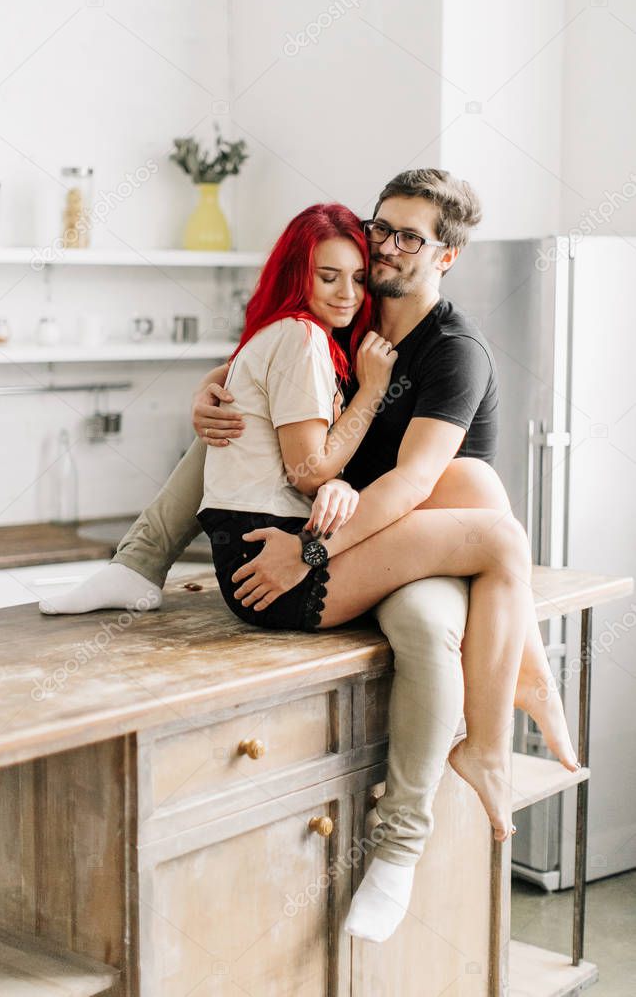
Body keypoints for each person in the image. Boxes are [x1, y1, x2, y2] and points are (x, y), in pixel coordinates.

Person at [41, 170, 579, 944]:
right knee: (225, 417)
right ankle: (138, 562)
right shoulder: (347, 317)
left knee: (432, 621)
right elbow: (276, 379)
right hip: (351, 526)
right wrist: (216, 387)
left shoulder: (452, 352)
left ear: (448, 255)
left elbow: (410, 485)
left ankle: (404, 839)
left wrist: (307, 549)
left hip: (418, 540)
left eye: (408, 237)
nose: (385, 248)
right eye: (380, 228)